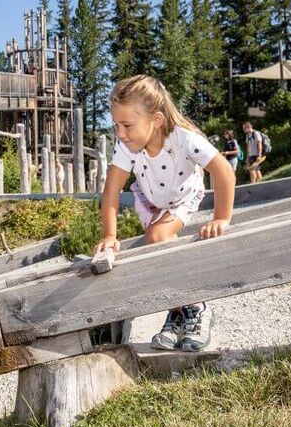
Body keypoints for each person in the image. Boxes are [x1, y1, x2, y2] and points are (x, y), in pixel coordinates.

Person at [93, 75, 235, 352]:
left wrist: (221, 217)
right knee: (154, 238)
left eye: (127, 125)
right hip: (150, 200)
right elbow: (110, 191)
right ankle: (177, 311)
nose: (120, 133)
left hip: (184, 195)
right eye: (116, 125)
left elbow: (224, 172)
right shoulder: (126, 147)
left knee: (157, 235)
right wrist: (110, 235)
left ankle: (196, 306)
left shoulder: (183, 139)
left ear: (156, 120)